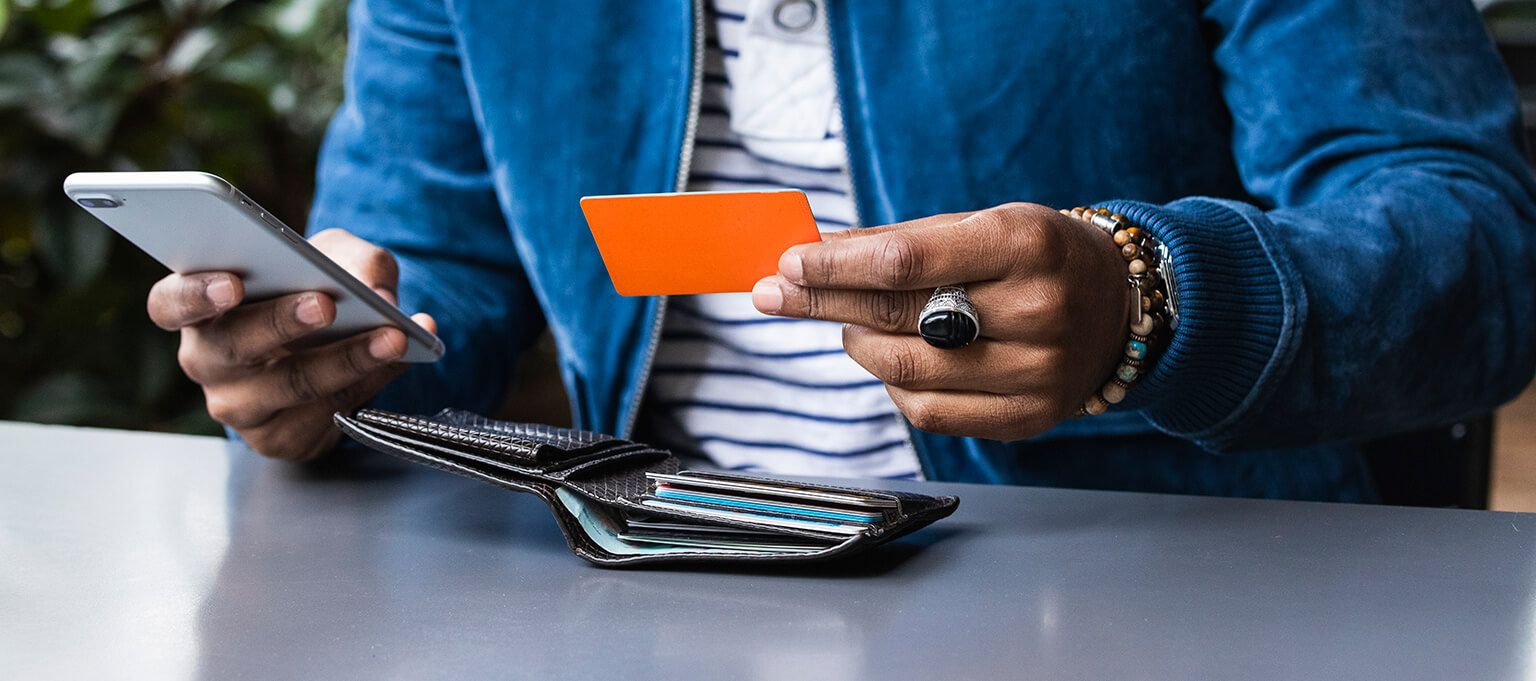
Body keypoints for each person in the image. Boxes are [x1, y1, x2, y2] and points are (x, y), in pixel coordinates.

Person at [146, 0, 1536, 501]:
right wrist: (320, 356)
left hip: (1161, 607)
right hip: (665, 587)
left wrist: (1151, 298)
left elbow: (1474, 246)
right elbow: (435, 263)